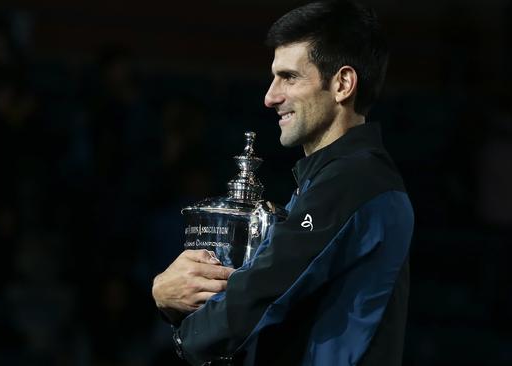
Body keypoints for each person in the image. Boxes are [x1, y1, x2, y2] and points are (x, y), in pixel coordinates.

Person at [151, 1, 414, 365]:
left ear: (342, 83)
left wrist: (183, 326)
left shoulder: (355, 180)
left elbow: (264, 292)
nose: (271, 96)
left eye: (289, 77)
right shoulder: (332, 180)